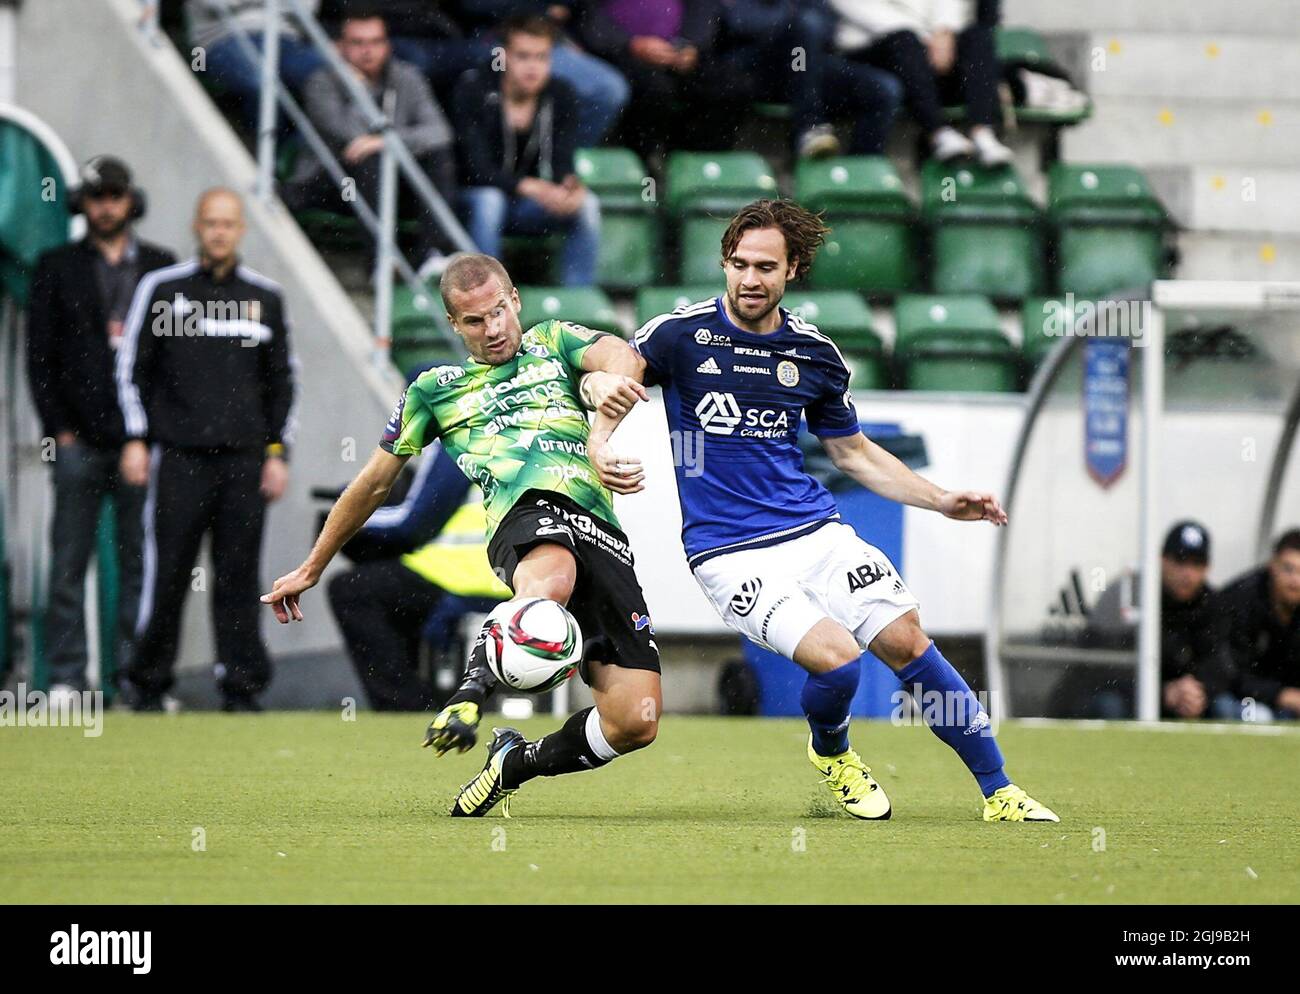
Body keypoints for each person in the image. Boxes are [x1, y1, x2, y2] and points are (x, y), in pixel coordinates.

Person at [584, 199, 1057, 822]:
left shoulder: (814, 354)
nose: (749, 279)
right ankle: (833, 751)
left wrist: (940, 498)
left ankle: (1000, 792)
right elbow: (615, 362)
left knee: (908, 641)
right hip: (727, 549)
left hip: (814, 530)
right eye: (738, 264)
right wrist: (598, 424)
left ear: (794, 270)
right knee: (839, 662)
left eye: (765, 267)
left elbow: (853, 454)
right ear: (725, 263)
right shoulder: (682, 334)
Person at [261, 252, 660, 817]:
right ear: (454, 324)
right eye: (474, 321)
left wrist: (598, 405)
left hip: (604, 534)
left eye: (498, 312)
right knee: (555, 574)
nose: (492, 329)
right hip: (527, 515)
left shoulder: (554, 341)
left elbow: (623, 355)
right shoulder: (435, 388)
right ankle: (471, 693)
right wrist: (312, 566)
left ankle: (513, 763)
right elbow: (373, 483)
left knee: (635, 722)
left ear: (515, 299)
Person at [116, 188, 297, 712]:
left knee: (240, 577)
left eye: (229, 224)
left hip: (245, 462)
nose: (219, 232)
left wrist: (277, 452)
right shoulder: (163, 289)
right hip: (179, 458)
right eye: (211, 223)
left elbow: (284, 383)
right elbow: (132, 370)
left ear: (240, 231)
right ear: (197, 227)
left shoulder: (266, 297)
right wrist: (136, 438)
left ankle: (241, 689)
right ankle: (147, 685)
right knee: (167, 573)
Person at [26, 157, 177, 698]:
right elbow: (38, 359)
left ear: (129, 200)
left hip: (143, 444)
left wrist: (154, 434)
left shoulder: (162, 267)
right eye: (96, 196)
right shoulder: (55, 265)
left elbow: (173, 360)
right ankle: (68, 676)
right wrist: (59, 430)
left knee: (143, 562)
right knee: (68, 561)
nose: (106, 205)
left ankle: (137, 679)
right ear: (82, 203)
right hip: (79, 441)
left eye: (114, 194)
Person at [327, 441, 509, 710]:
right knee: (395, 588)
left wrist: (344, 515)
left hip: (460, 577)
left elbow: (413, 523)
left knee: (351, 590)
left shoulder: (458, 438)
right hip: (520, 583)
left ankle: (407, 707)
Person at [286, 10, 458, 278]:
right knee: (371, 160)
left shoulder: (407, 77)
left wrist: (385, 143)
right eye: (357, 43)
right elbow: (352, 137)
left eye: (375, 42)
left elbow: (440, 132)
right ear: (340, 47)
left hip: (391, 186)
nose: (368, 51)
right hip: (333, 185)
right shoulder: (322, 83)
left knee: (436, 156)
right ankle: (380, 261)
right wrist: (359, 90)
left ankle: (433, 253)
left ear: (387, 45)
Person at [453, 15, 600, 287]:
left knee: (587, 204)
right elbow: (476, 169)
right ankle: (487, 297)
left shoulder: (560, 93)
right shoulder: (474, 88)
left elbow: (562, 161)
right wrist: (530, 186)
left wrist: (570, 186)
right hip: (470, 201)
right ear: (505, 56)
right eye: (523, 56)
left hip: (523, 206)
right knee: (489, 201)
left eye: (541, 57)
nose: (533, 67)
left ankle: (579, 303)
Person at [1059, 521, 1240, 720]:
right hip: (1128, 696)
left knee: (1225, 707)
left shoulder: (1213, 604)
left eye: (1196, 564)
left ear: (1207, 568)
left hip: (1184, 701)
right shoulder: (1130, 596)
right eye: (1179, 561)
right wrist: (1162, 691)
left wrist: (1197, 691)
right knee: (1110, 705)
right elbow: (1103, 666)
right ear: (1161, 560)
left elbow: (1222, 663)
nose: (1187, 573)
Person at [828, 0, 1014, 164]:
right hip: (871, 49)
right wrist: (925, 37)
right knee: (905, 40)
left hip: (925, 50)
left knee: (978, 36)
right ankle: (938, 133)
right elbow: (859, 9)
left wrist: (944, 31)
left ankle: (982, 133)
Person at [713, 0, 903, 157]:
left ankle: (860, 179)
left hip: (803, 63)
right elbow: (738, 22)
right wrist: (792, 25)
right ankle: (808, 126)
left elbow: (829, 28)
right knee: (803, 28)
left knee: (884, 88)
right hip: (758, 68)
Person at [455, 2, 629, 148]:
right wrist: (540, 8)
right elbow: (470, 5)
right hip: (489, 36)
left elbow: (577, 8)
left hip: (549, 37)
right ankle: (508, 166)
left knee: (608, 88)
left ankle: (559, 165)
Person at [573, 0, 722, 161]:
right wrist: (630, 43)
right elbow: (588, 15)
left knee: (728, 86)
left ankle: (701, 166)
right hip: (618, 54)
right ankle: (643, 162)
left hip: (680, 55)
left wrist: (691, 45)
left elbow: (703, 8)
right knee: (655, 88)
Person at [187, 0, 327, 127]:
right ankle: (266, 145)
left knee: (328, 77)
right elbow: (215, 4)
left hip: (284, 38)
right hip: (218, 40)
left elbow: (306, 8)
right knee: (262, 82)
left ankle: (302, 148)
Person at [1219, 529, 1300, 720]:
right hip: (1239, 697)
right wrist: (1281, 694)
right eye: (1289, 569)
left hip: (1288, 702)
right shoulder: (1241, 601)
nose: (1295, 581)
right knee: (1258, 716)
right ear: (1272, 566)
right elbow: (1231, 674)